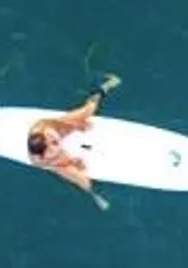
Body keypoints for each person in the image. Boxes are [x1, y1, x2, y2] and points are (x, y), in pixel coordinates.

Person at [26, 74, 120, 208]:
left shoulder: (45, 128)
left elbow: (62, 122)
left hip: (59, 128)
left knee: (89, 110)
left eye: (53, 142)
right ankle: (95, 196)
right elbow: (56, 163)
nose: (56, 145)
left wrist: (78, 125)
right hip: (55, 161)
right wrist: (72, 161)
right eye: (51, 148)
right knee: (83, 180)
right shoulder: (39, 160)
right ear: (43, 155)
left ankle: (102, 88)